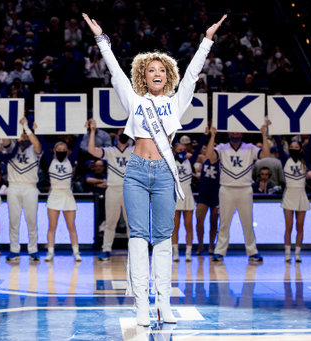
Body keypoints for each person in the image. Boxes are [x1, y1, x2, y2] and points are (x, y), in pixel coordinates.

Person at [84, 12, 226, 326]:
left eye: (161, 69)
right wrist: (100, 38)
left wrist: (206, 39)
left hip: (164, 173)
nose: (157, 73)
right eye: (151, 70)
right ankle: (140, 305)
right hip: (135, 172)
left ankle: (163, 304)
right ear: (143, 77)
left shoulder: (177, 101)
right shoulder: (134, 100)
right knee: (138, 237)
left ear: (168, 75)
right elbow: (114, 70)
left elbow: (192, 74)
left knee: (163, 238)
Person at [206, 124, 270, 263]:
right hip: (226, 189)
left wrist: (264, 135)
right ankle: (219, 251)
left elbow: (265, 155)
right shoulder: (222, 148)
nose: (235, 134)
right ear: (229, 133)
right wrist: (212, 136)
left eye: (238, 132)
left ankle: (252, 251)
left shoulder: (250, 148)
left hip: (245, 189)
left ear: (242, 133)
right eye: (233, 132)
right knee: (224, 223)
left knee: (247, 222)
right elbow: (210, 157)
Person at [86, 120, 134, 261]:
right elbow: (91, 150)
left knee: (131, 224)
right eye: (121, 132)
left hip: (130, 190)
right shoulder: (110, 151)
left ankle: (134, 252)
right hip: (112, 189)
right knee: (110, 222)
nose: (124, 134)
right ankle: (106, 249)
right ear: (116, 136)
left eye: (126, 132)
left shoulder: (135, 150)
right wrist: (93, 131)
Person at [274, 130, 311, 263]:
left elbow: (309, 145)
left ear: (300, 150)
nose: (293, 149)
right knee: (289, 226)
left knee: (300, 226)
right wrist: (274, 130)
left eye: (296, 147)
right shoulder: (285, 160)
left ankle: (297, 253)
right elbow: (279, 147)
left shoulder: (305, 160)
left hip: (301, 195)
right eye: (291, 147)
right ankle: (287, 253)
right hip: (289, 195)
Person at [4, 118, 43, 262]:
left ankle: (33, 250)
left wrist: (26, 127)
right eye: (23, 134)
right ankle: (14, 250)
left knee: (31, 220)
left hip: (30, 187)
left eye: (27, 135)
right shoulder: (11, 147)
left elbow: (37, 143)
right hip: (13, 186)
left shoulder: (35, 149)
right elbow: (5, 139)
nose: (25, 137)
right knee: (14, 221)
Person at [42, 134, 84, 262]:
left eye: (63, 150)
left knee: (71, 227)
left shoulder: (70, 161)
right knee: (52, 227)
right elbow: (43, 145)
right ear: (54, 151)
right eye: (58, 150)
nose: (61, 152)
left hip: (67, 195)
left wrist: (82, 131)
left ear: (67, 151)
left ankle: (76, 252)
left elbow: (77, 145)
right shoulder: (50, 161)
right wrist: (37, 130)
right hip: (54, 195)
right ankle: (50, 252)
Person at [172, 132, 207, 262]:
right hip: (174, 195)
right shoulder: (170, 161)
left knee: (188, 225)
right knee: (174, 226)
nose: (183, 152)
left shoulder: (190, 161)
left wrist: (204, 135)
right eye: (180, 150)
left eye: (185, 150)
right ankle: (175, 252)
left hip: (187, 195)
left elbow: (198, 150)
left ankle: (188, 252)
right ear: (174, 152)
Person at [195, 133, 220, 255]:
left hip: (216, 195)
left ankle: (211, 245)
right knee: (199, 219)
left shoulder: (222, 161)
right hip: (203, 194)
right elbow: (191, 155)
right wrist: (204, 137)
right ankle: (200, 245)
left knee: (214, 221)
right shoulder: (203, 159)